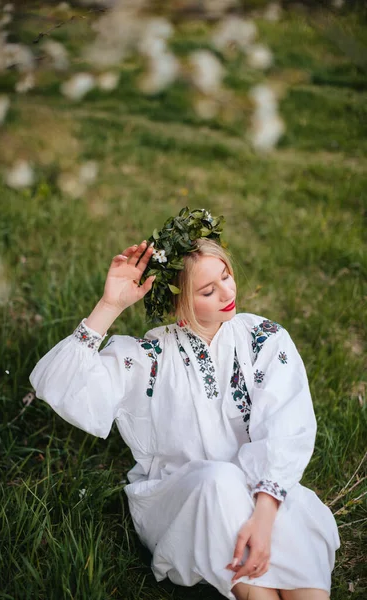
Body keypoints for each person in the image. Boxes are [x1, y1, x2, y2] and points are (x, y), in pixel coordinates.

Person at [29, 208, 340, 600]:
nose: (228, 293)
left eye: (226, 275)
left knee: (293, 528)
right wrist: (109, 306)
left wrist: (263, 516)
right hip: (182, 498)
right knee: (218, 481)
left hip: (264, 492)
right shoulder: (148, 358)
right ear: (178, 304)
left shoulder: (265, 339)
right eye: (208, 291)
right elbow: (56, 383)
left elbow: (287, 426)